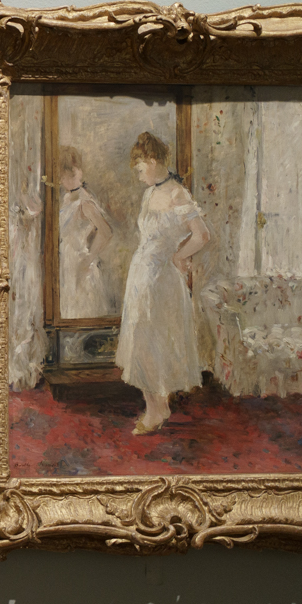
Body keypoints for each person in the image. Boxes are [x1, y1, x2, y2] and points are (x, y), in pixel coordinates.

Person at [116, 131, 210, 434]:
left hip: (161, 279)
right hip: (141, 275)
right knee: (141, 340)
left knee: (156, 341)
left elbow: (202, 235)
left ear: (153, 161)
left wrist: (179, 255)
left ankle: (157, 410)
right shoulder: (149, 193)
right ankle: (156, 406)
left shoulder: (177, 194)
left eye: (141, 167)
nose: (139, 174)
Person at [55, 145, 113, 318]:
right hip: (65, 261)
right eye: (63, 176)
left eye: (72, 174)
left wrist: (88, 259)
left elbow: (106, 232)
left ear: (80, 172)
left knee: (81, 310)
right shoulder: (66, 198)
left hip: (78, 262)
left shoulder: (85, 202)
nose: (67, 179)